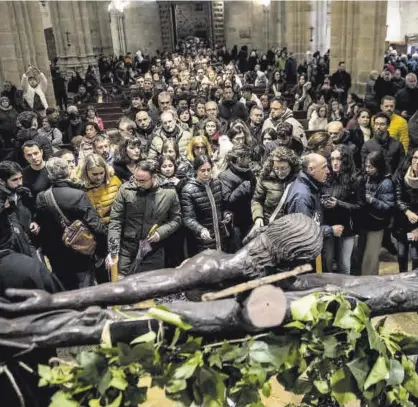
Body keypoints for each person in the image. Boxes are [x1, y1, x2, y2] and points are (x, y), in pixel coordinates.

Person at [36, 157, 107, 290]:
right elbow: (95, 226)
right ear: (68, 171)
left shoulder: (42, 197)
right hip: (80, 251)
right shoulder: (78, 195)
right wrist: (103, 248)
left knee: (64, 289)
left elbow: (42, 225)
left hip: (55, 253)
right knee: (84, 289)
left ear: (49, 174)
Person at [106, 160, 181, 276]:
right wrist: (113, 251)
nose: (137, 183)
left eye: (142, 181)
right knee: (124, 288)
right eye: (135, 179)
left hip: (153, 251)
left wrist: (161, 232)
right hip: (127, 250)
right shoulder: (125, 190)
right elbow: (115, 221)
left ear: (153, 177)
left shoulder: (169, 192)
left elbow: (176, 219)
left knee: (150, 289)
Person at [322, 145, 363, 274]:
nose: (335, 162)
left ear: (345, 160)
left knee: (344, 264)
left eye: (339, 159)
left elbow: (360, 205)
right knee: (327, 262)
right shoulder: (327, 177)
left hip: (347, 228)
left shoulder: (355, 179)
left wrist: (338, 203)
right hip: (329, 226)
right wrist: (323, 202)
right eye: (332, 158)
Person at [284, 153, 343, 240]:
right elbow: (303, 231)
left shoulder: (311, 186)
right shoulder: (302, 196)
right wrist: (330, 230)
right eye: (324, 167)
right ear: (311, 169)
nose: (328, 171)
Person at [181, 155, 232, 253]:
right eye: (202, 170)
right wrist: (200, 229)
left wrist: (226, 215)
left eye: (209, 170)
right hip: (202, 241)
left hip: (221, 237)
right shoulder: (188, 190)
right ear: (196, 170)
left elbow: (224, 207)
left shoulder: (217, 183)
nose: (206, 173)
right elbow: (188, 218)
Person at [358, 151, 395, 276]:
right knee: (361, 254)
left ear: (379, 167)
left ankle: (370, 283)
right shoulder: (366, 177)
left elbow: (388, 206)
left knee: (371, 257)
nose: (367, 169)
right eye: (366, 166)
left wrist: (370, 199)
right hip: (364, 221)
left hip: (376, 224)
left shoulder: (386, 183)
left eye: (371, 167)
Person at [252, 146, 300, 228]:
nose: (280, 172)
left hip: (291, 227)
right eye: (276, 168)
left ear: (291, 166)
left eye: (283, 168)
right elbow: (257, 200)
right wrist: (258, 217)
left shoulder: (299, 179)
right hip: (270, 225)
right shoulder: (265, 178)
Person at [218, 145, 255, 248]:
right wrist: (242, 188)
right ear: (239, 159)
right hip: (234, 224)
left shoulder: (249, 173)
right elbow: (227, 201)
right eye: (247, 157)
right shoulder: (224, 176)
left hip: (249, 220)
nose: (249, 160)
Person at [0, 161, 38, 257]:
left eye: (21, 178)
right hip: (12, 252)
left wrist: (35, 221)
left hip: (31, 245)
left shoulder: (24, 192)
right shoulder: (3, 202)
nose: (20, 182)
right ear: (1, 181)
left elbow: (33, 210)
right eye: (15, 180)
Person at [394, 149, 418, 272]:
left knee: (415, 257)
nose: (417, 162)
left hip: (417, 223)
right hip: (403, 220)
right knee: (401, 255)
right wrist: (407, 211)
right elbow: (397, 198)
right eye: (415, 158)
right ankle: (401, 281)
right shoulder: (402, 174)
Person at [79, 154, 121, 225]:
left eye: (102, 173)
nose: (99, 177)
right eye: (94, 174)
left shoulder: (114, 181)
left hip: (114, 225)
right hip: (93, 229)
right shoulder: (80, 187)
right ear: (86, 172)